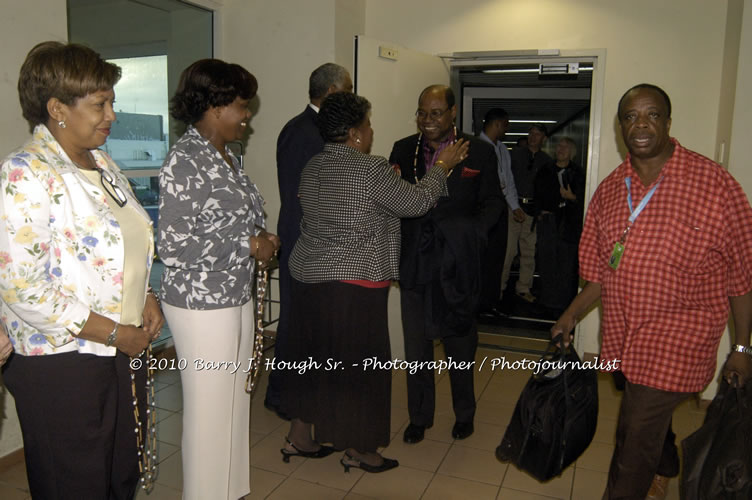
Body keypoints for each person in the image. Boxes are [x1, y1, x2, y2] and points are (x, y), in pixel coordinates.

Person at [550, 83, 752, 499]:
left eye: (652, 115)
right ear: (621, 126)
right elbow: (603, 271)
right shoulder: (609, 191)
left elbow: (742, 277)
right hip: (626, 333)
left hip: (680, 336)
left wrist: (743, 348)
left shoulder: (715, 186)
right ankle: (666, 463)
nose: (640, 125)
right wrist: (571, 313)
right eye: (630, 117)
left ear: (668, 122)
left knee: (632, 439)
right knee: (641, 409)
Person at [0, 41, 163, 499]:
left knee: (118, 475)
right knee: (74, 482)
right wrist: (114, 333)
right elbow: (23, 288)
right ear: (57, 109)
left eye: (111, 101)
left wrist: (144, 295)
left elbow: (120, 245)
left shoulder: (101, 162)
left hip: (118, 345)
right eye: (99, 104)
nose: (111, 114)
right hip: (62, 362)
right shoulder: (24, 173)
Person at [278, 91, 468, 473]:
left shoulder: (314, 165)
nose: (372, 130)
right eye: (366, 124)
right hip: (353, 288)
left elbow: (352, 204)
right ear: (353, 133)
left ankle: (300, 437)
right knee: (361, 372)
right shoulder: (370, 168)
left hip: (308, 282)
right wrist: (441, 167)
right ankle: (361, 450)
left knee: (315, 363)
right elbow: (414, 203)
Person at [157, 59, 279, 500]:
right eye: (241, 106)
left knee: (232, 406)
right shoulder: (186, 161)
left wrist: (259, 237)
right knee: (210, 414)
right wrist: (247, 246)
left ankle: (231, 492)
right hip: (200, 305)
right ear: (213, 107)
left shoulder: (224, 156)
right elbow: (172, 248)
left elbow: (226, 223)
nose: (246, 116)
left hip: (233, 294)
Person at [389, 85, 503, 444]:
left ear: (453, 113)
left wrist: (471, 237)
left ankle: (464, 413)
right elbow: (395, 200)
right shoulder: (403, 149)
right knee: (416, 346)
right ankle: (419, 418)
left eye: (436, 113)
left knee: (459, 344)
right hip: (415, 262)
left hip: (458, 265)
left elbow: (493, 203)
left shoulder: (480, 151)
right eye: (422, 113)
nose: (428, 120)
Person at [266, 62, 352, 414]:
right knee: (296, 322)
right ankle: (284, 397)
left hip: (314, 241)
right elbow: (302, 195)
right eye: (346, 90)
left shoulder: (318, 128)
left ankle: (300, 393)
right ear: (331, 92)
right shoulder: (303, 130)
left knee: (309, 322)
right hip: (304, 240)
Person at [478, 108, 523, 319]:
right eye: (505, 125)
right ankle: (478, 302)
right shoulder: (475, 146)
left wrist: (515, 206)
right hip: (484, 210)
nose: (506, 130)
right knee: (482, 258)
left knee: (499, 256)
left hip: (502, 209)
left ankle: (491, 301)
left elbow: (509, 181)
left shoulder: (503, 149)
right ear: (497, 124)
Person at [501, 124, 553, 303]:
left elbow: (546, 189)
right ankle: (499, 287)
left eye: (537, 134)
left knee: (528, 252)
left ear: (544, 138)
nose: (533, 137)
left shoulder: (546, 161)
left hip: (532, 211)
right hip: (513, 208)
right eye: (531, 133)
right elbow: (505, 180)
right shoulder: (514, 154)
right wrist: (513, 206)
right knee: (508, 251)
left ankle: (523, 288)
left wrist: (541, 210)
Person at [534, 137, 585, 314]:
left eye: (566, 147)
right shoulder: (545, 170)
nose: (561, 149)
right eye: (559, 146)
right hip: (548, 223)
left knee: (566, 262)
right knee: (547, 260)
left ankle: (563, 302)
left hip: (569, 224)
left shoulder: (578, 173)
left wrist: (572, 198)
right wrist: (540, 211)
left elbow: (584, 199)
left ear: (572, 152)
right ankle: (547, 299)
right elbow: (537, 194)